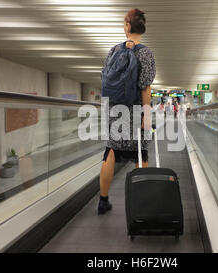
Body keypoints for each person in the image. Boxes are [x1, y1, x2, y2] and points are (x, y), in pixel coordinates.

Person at [98, 8, 156, 214]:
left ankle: (103, 201)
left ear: (128, 26)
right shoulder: (146, 54)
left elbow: (105, 78)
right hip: (136, 109)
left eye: (124, 23)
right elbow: (145, 87)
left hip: (115, 110)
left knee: (110, 152)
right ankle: (141, 204)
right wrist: (146, 115)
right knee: (141, 154)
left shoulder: (114, 51)